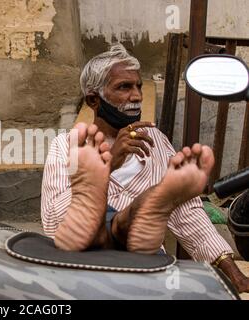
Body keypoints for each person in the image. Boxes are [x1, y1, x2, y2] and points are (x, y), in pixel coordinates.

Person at [41, 44, 249, 293]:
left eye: (138, 86)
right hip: (86, 278)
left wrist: (233, 274)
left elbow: (188, 214)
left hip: (148, 274)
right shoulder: (64, 148)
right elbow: (54, 225)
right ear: (94, 99)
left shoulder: (156, 141)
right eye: (123, 87)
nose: (137, 96)